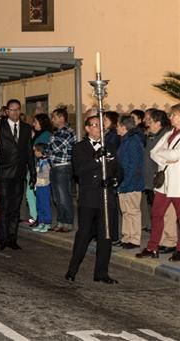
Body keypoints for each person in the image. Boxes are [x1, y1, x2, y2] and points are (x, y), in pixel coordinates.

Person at [65, 115, 120, 284]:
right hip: (89, 198)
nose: (98, 128)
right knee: (83, 235)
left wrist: (115, 179)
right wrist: (97, 158)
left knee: (105, 237)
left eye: (101, 125)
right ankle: (72, 269)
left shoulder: (110, 146)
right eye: (95, 125)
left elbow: (118, 168)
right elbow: (79, 171)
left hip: (106, 197)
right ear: (88, 128)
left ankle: (101, 273)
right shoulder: (79, 148)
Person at [0, 99, 35, 250]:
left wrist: (33, 172)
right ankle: (3, 238)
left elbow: (29, 151)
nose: (15, 113)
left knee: (15, 207)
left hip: (19, 173)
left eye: (17, 110)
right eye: (12, 110)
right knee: (5, 206)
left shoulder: (27, 128)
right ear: (7, 111)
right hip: (4, 172)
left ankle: (12, 238)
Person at [137, 104, 180, 261]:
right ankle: (152, 247)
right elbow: (153, 152)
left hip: (177, 183)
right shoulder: (168, 133)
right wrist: (167, 157)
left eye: (174, 115)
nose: (170, 118)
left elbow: (176, 154)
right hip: (163, 184)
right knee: (156, 215)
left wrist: (166, 155)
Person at [142, 109, 175, 251]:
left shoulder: (165, 134)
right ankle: (158, 242)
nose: (146, 122)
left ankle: (170, 241)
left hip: (168, 179)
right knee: (158, 213)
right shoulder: (157, 135)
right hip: (156, 179)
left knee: (169, 214)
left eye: (149, 120)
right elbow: (152, 154)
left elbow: (170, 155)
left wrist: (162, 157)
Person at [116, 115, 144, 249]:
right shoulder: (125, 140)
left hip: (132, 182)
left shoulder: (133, 141)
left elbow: (134, 165)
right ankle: (127, 236)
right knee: (126, 211)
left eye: (118, 125)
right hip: (124, 182)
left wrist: (125, 182)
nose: (116, 128)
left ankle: (134, 239)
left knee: (133, 211)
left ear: (123, 126)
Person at [47, 108, 77, 232]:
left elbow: (54, 147)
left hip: (63, 167)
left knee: (64, 196)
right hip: (55, 167)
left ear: (61, 118)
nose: (52, 120)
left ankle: (68, 222)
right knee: (56, 197)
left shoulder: (66, 132)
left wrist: (46, 147)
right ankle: (60, 221)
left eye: (54, 117)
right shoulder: (57, 132)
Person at [29, 114, 52, 227]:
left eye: (36, 122)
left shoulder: (45, 135)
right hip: (36, 172)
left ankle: (43, 220)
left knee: (43, 201)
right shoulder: (38, 134)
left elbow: (40, 148)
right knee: (35, 198)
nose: (34, 124)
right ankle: (39, 218)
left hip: (43, 181)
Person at [32, 144, 52, 233]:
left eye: (36, 150)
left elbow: (47, 175)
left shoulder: (46, 162)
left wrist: (40, 180)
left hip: (44, 186)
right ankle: (41, 222)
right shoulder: (39, 161)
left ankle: (47, 223)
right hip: (39, 186)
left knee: (45, 205)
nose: (35, 152)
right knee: (39, 205)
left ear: (40, 151)